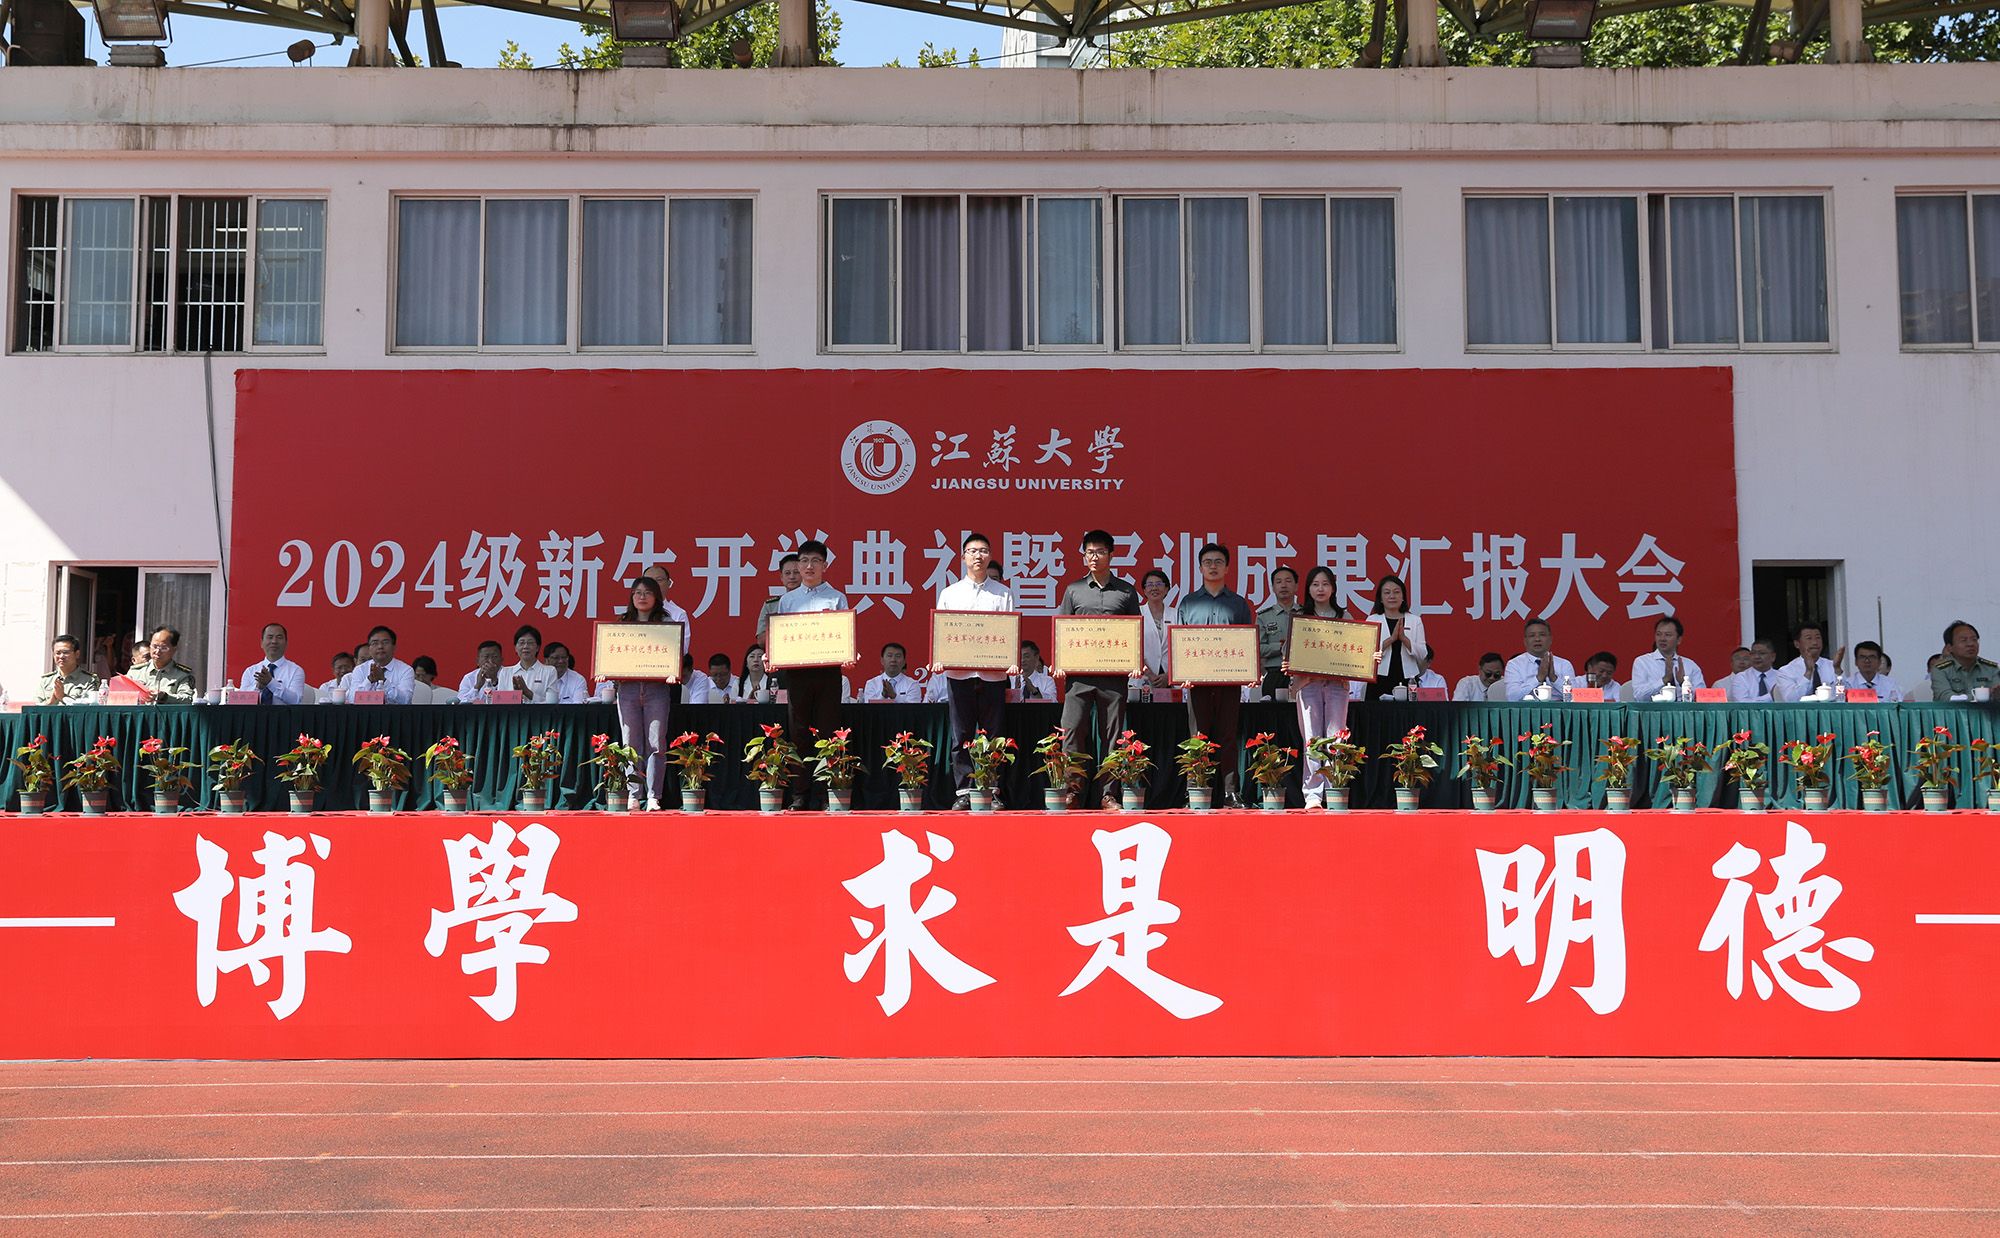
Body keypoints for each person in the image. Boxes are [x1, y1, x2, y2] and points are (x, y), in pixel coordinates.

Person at [1057, 529, 1144, 810]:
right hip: (1078, 677)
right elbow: (1063, 631)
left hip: (1113, 678)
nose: (1094, 557)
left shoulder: (1126, 591)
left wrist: (1135, 661)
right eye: (1089, 552)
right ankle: (1073, 792)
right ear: (1084, 556)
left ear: (1111, 555)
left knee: (1113, 737)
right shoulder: (1073, 590)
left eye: (1100, 552)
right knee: (1072, 732)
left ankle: (1109, 794)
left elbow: (1135, 631)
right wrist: (1059, 661)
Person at [935, 532, 1016, 810]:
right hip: (959, 675)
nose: (978, 556)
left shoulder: (1003, 593)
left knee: (994, 736)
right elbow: (943, 633)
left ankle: (992, 791)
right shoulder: (950, 593)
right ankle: (964, 792)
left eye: (983, 551)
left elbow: (1009, 632)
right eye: (972, 551)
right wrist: (940, 657)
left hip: (993, 675)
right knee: (961, 737)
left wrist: (1010, 658)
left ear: (990, 555)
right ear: (963, 557)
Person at [776, 538, 855, 809]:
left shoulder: (836, 597)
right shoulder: (787, 600)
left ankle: (825, 794)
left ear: (825, 565)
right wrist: (773, 656)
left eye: (815, 561)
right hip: (797, 674)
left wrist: (848, 652)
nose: (809, 566)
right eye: (804, 561)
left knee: (828, 733)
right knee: (798, 733)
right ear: (798, 565)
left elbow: (845, 635)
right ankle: (800, 795)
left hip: (828, 674)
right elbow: (779, 638)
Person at [1176, 542, 1253, 808]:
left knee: (1229, 737)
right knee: (1198, 738)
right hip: (1196, 683)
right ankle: (1196, 790)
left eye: (1218, 562)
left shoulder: (1238, 604)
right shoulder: (1188, 603)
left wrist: (1248, 670)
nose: (1212, 566)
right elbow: (1181, 643)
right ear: (1200, 568)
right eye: (1207, 562)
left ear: (1227, 568)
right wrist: (1182, 672)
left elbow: (1246, 642)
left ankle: (1231, 793)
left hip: (1229, 682)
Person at [611, 575, 688, 810]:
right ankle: (634, 794)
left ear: (656, 597)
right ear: (632, 597)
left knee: (656, 744)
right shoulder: (622, 624)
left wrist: (673, 671)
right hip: (628, 689)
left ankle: (654, 796)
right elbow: (612, 656)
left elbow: (675, 654)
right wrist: (606, 671)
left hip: (657, 689)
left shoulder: (666, 623)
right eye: (638, 593)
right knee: (630, 743)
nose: (642, 597)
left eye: (647, 593)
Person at [1286, 565, 1351, 809]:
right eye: (1315, 584)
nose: (1320, 589)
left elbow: (1356, 651)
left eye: (1325, 584)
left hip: (1337, 685)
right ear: (1308, 589)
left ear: (1333, 588)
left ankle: (1334, 790)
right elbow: (1289, 650)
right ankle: (1313, 794)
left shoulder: (1344, 616)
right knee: (1312, 739)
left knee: (1335, 738)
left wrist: (1369, 659)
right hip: (1308, 684)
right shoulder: (1299, 616)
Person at [1363, 574, 1429, 700]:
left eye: (1396, 592)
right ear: (1380, 598)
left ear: (1403, 596)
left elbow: (1423, 654)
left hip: (1408, 679)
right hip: (1379, 678)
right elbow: (1366, 653)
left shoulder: (1415, 620)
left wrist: (1404, 639)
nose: (1392, 596)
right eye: (1387, 592)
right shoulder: (1372, 619)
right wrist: (1390, 640)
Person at [1628, 616, 1706, 701]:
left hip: (1684, 709)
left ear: (1679, 640)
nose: (1662, 639)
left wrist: (1683, 684)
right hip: (1654, 709)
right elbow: (1639, 697)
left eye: (1668, 635)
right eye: (1659, 634)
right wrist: (1664, 680)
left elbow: (1703, 698)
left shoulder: (1690, 665)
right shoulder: (1642, 662)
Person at [1504, 618, 1576, 700]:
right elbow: (1512, 697)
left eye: (1542, 635)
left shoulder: (1564, 664)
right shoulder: (1514, 664)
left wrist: (1554, 679)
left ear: (1550, 639)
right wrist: (1538, 678)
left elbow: (1575, 697)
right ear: (1525, 641)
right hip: (1527, 707)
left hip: (1558, 707)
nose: (1537, 639)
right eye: (1532, 635)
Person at [343, 626, 416, 704]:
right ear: (369, 649)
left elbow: (405, 700)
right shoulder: (360, 669)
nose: (380, 646)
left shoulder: (406, 670)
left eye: (385, 642)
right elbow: (352, 699)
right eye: (375, 643)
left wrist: (383, 681)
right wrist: (369, 680)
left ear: (394, 647)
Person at [1255, 566, 1298, 698]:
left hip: (1301, 675)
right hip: (1275, 674)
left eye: (1288, 581)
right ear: (1273, 588)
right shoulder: (1263, 616)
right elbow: (1257, 648)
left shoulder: (1306, 614)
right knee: (1273, 711)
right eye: (1279, 582)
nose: (1283, 585)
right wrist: (1281, 646)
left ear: (1296, 586)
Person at [238, 622, 306, 705]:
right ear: (261, 643)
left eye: (279, 637)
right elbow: (241, 702)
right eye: (270, 637)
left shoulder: (296, 671)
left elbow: (296, 700)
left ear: (286, 643)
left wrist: (271, 683)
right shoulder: (250, 671)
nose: (274, 641)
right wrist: (258, 688)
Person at [1930, 620, 2000, 700]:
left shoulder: (1991, 668)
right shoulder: (1940, 670)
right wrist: (1982, 696)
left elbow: (1997, 694)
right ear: (1949, 647)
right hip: (1954, 709)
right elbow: (1946, 698)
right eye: (1963, 640)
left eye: (1974, 639)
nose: (1970, 644)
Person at [129, 626, 199, 704]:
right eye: (154, 646)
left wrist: (165, 697)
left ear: (174, 649)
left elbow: (188, 699)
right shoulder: (135, 672)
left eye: (163, 648)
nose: (157, 651)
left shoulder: (183, 675)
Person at [1775, 621, 1842, 701]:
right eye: (1809, 638)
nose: (1815, 642)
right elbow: (1791, 700)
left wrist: (1837, 671)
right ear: (1797, 644)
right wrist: (1808, 673)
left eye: (1818, 638)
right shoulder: (1786, 671)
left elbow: (1845, 696)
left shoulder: (1832, 666)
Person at [497, 625, 561, 704]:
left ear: (537, 647)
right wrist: (516, 696)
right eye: (521, 643)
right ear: (515, 648)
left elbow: (552, 703)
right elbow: (500, 702)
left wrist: (527, 692)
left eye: (530, 643)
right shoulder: (505, 672)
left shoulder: (549, 671)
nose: (525, 646)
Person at [34, 634, 102, 705]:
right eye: (58, 653)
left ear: (77, 654)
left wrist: (63, 697)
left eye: (65, 652)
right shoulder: (46, 681)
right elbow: (35, 708)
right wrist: (51, 702)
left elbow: (89, 707)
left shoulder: (90, 680)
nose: (61, 656)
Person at [1138, 569, 1174, 691]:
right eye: (1150, 585)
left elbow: (1181, 648)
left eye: (1159, 584)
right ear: (1144, 590)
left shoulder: (1176, 614)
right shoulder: (1137, 613)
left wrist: (1169, 676)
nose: (1154, 588)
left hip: (1170, 678)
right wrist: (1149, 674)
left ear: (1166, 589)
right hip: (1144, 677)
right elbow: (1132, 650)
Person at [755, 553, 802, 645]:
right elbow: (761, 640)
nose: (792, 577)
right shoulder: (771, 605)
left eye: (796, 572)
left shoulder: (813, 601)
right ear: (782, 577)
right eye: (787, 573)